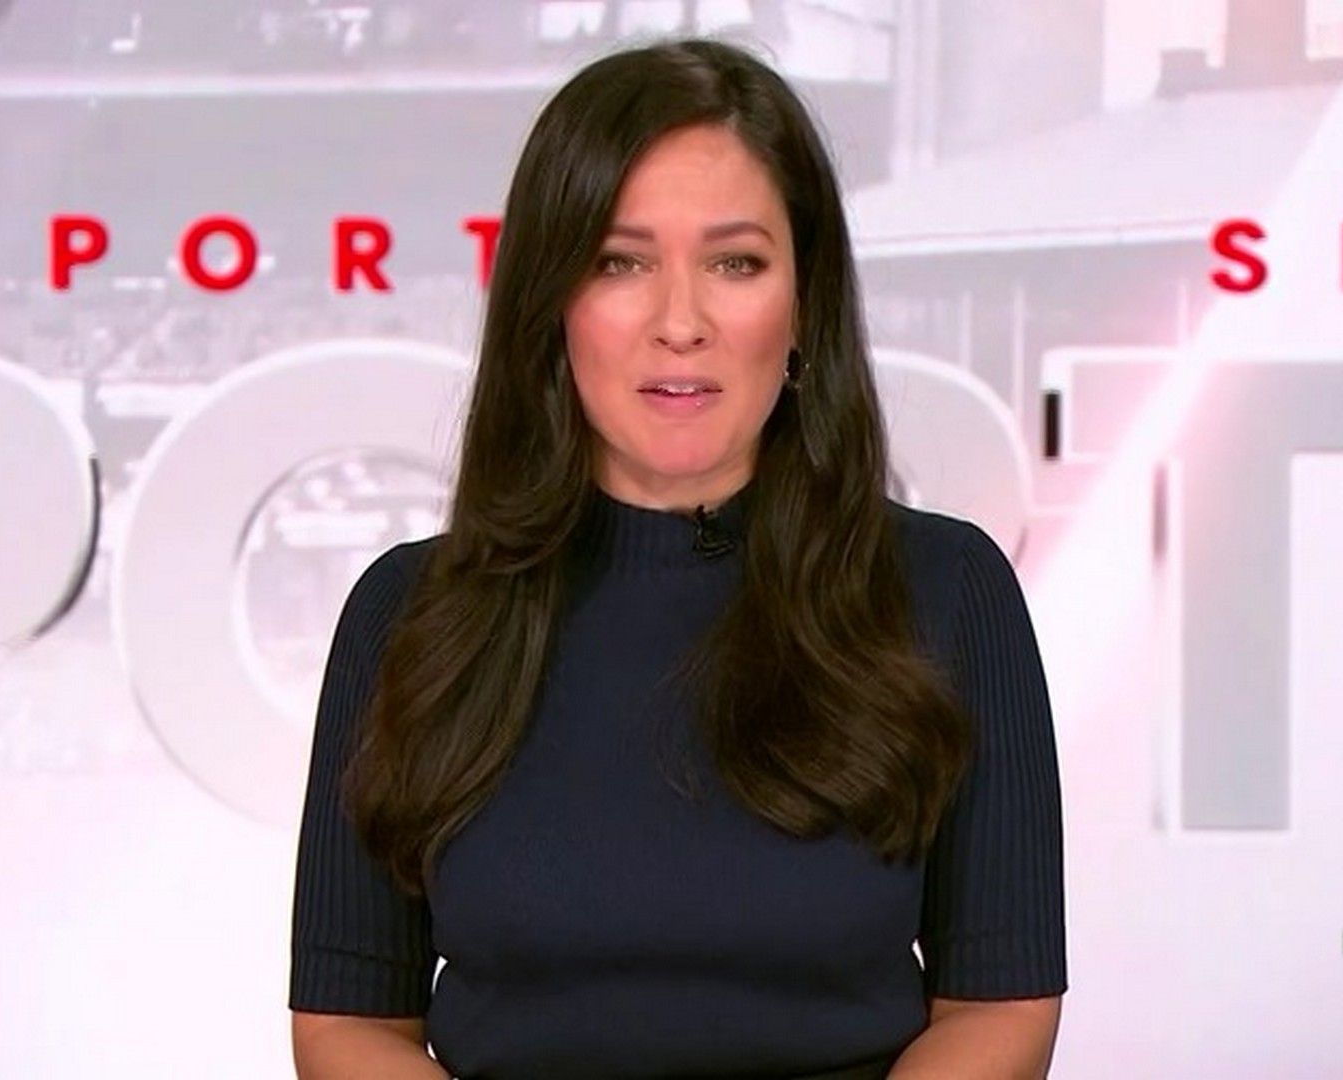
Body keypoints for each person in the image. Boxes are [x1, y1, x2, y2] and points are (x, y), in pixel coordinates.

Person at [289, 37, 1066, 1080]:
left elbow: (1001, 1005)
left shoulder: (948, 592)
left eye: (735, 263)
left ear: (804, 303)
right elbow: (348, 1027)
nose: (680, 323)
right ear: (552, 304)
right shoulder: (408, 614)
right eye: (621, 263)